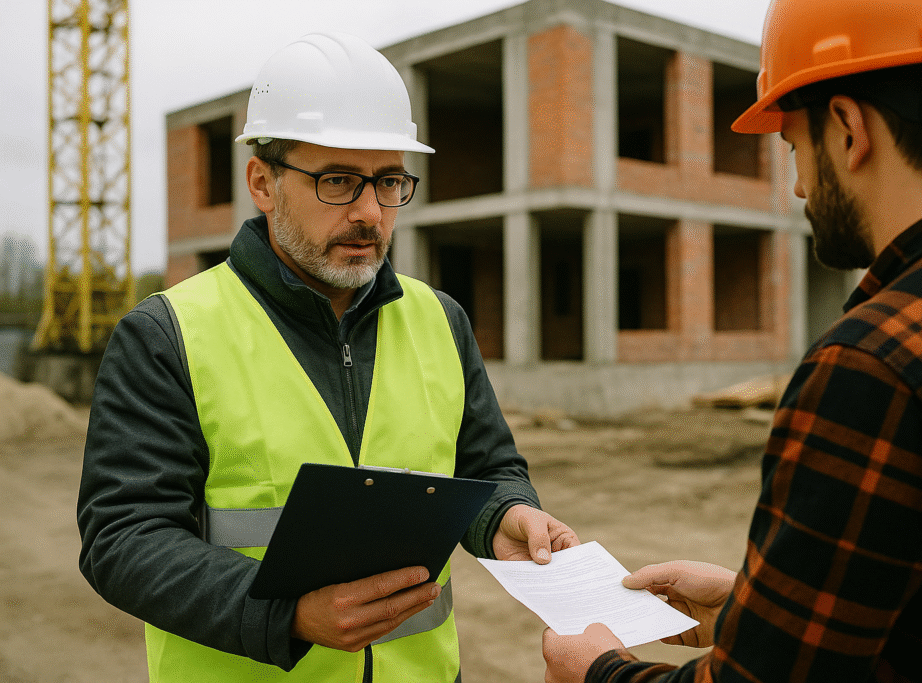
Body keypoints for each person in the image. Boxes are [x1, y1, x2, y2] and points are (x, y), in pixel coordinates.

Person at [543, 0, 922, 681]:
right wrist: (757, 611)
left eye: (795, 147)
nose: (797, 186)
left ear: (849, 128)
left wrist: (595, 670)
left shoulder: (875, 365)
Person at [78, 32, 578, 683]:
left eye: (389, 181)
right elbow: (123, 538)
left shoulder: (440, 319)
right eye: (338, 181)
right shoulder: (167, 334)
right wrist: (286, 613)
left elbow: (486, 465)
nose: (370, 212)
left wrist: (503, 514)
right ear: (263, 183)